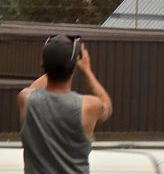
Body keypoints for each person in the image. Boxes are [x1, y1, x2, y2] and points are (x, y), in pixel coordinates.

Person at [18, 35, 113, 174]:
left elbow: (34, 89)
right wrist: (87, 70)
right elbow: (107, 107)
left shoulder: (26, 99)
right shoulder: (89, 106)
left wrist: (53, 62)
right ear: (74, 67)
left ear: (43, 63)